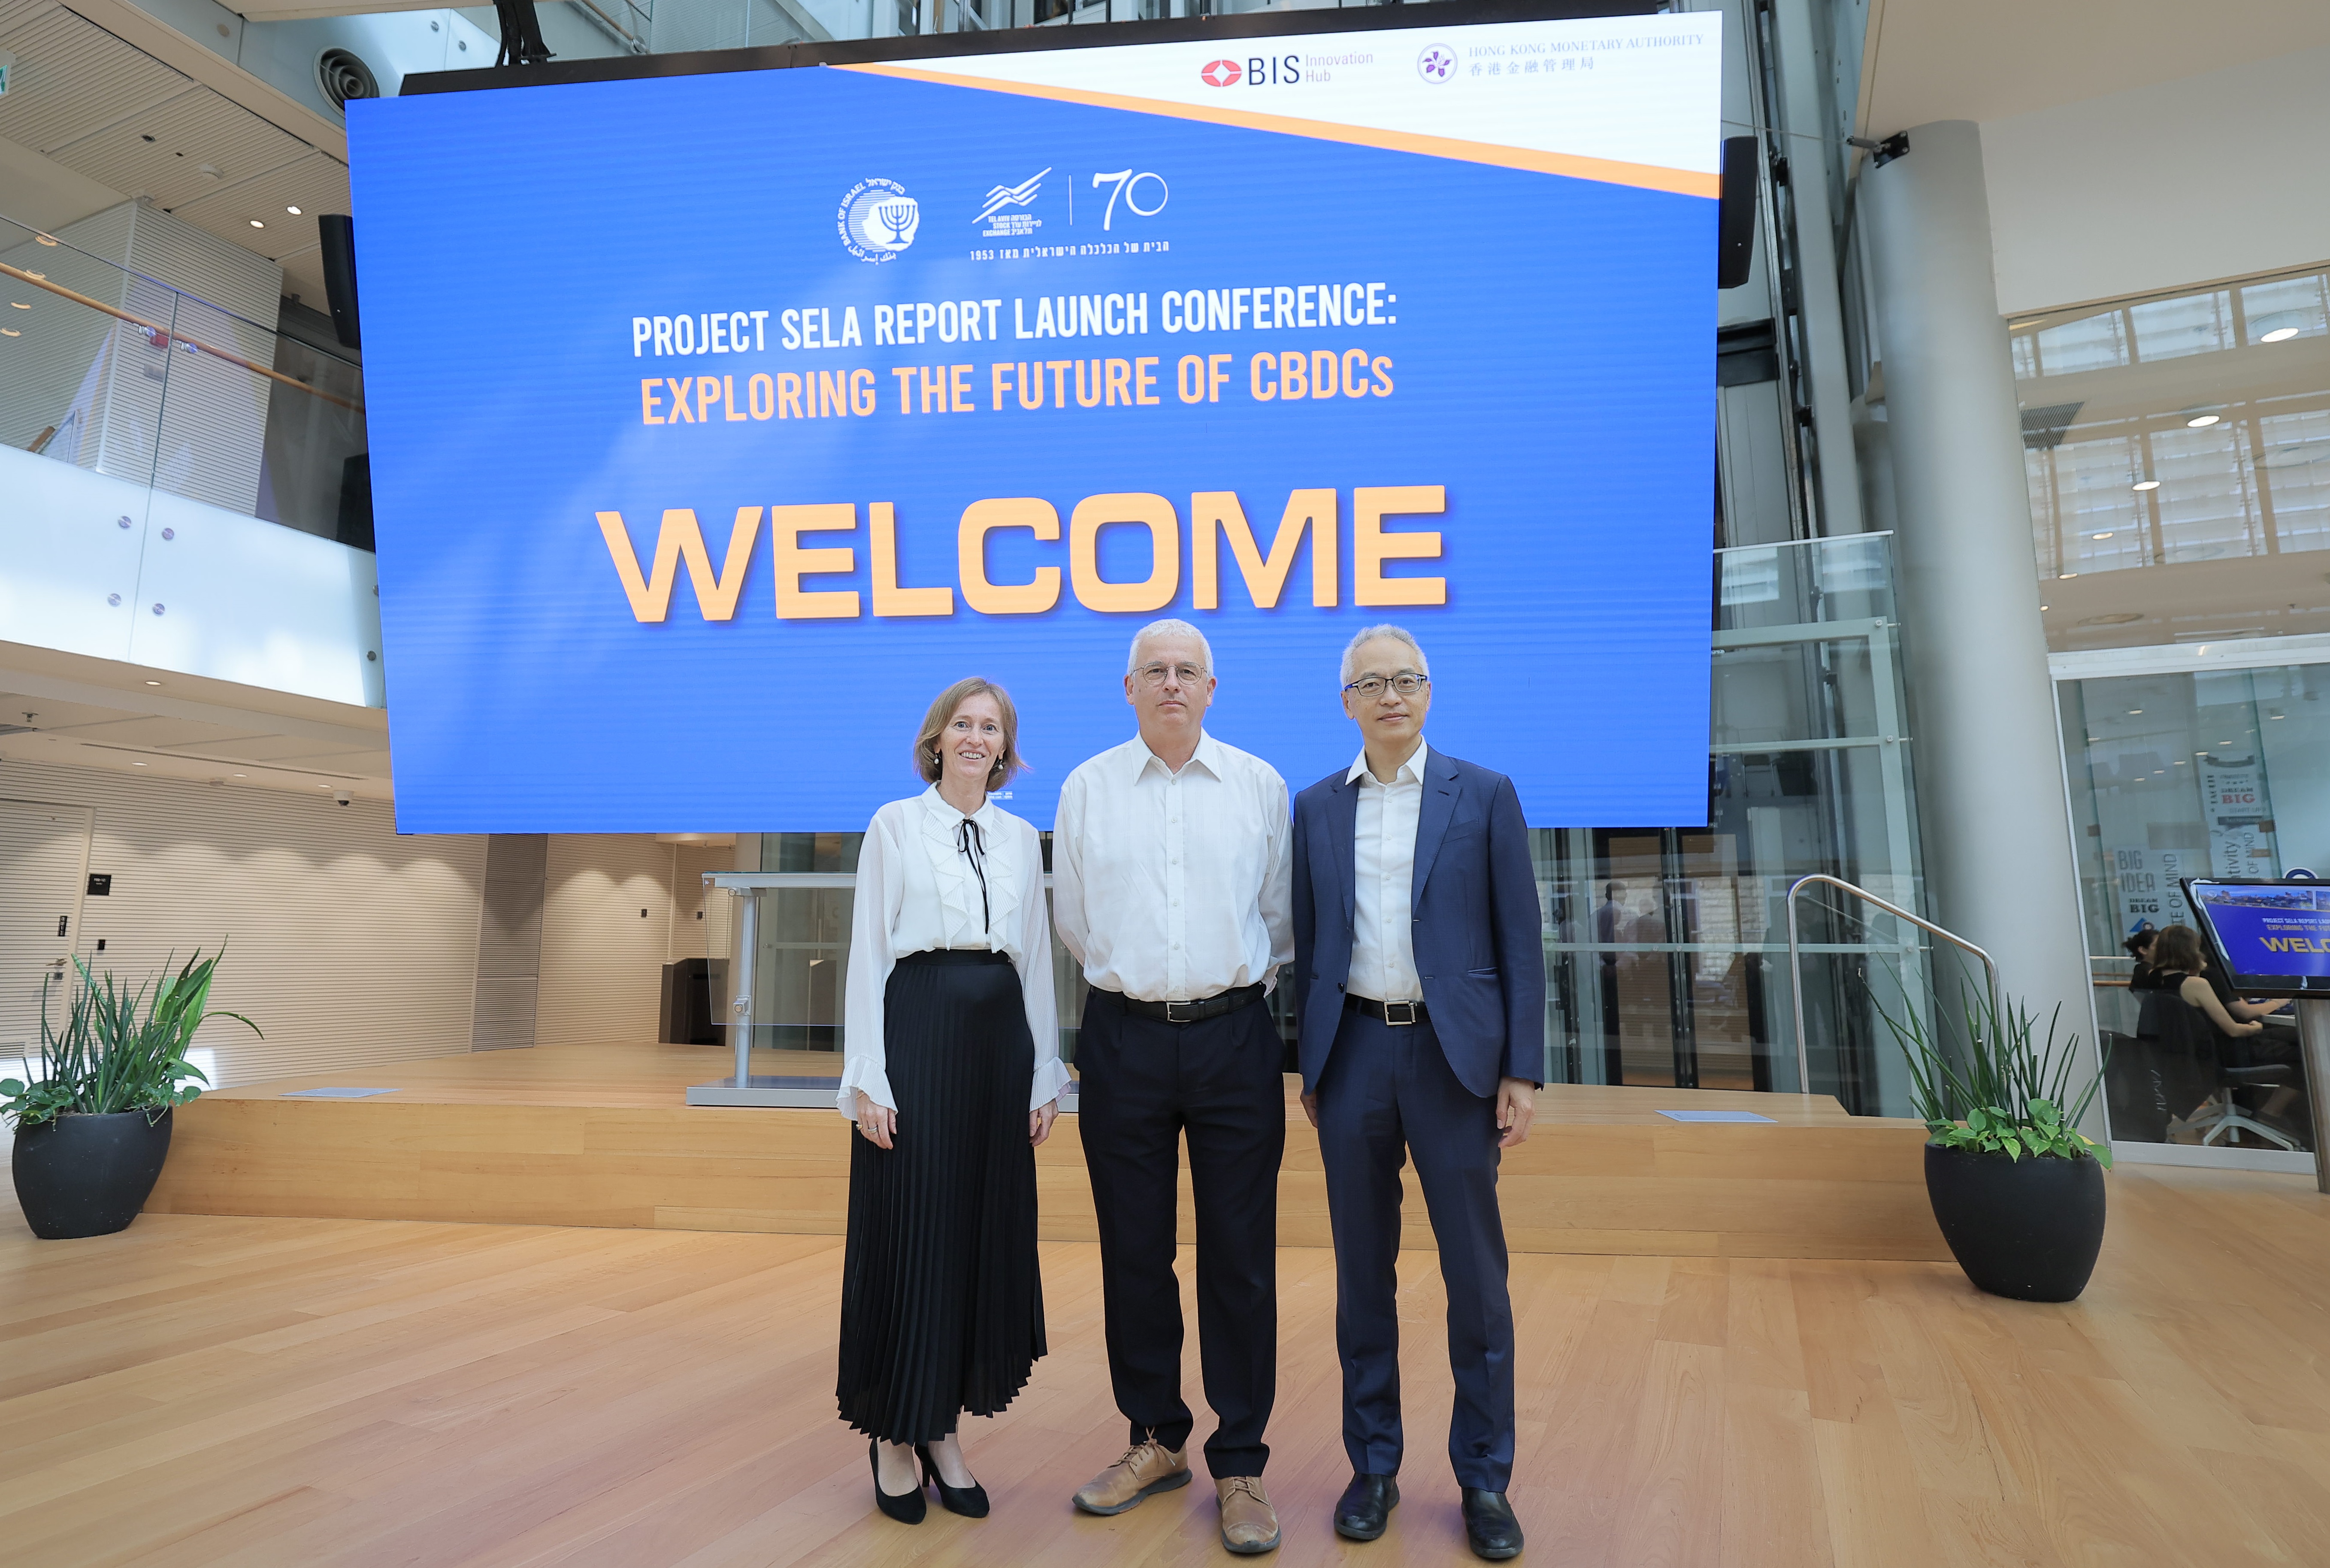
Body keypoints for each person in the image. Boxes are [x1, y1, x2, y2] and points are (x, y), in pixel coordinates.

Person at [1289, 624, 1544, 1562]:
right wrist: (1310, 1065)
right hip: (1353, 1054)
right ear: (1347, 702)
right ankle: (1374, 1465)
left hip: (1455, 1062)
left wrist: (1521, 1068)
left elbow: (1520, 943)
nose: (1390, 695)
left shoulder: (1483, 795)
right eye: (1371, 683)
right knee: (1364, 1275)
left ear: (1428, 693)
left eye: (1407, 680)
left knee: (1476, 1279)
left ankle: (1484, 1477)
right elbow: (1311, 951)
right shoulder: (1314, 809)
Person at [1053, 618, 1293, 1556]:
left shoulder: (1259, 787)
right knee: (1134, 1254)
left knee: (1240, 1258)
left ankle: (1241, 1462)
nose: (1170, 683)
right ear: (1128, 688)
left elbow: (1275, 916)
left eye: (1187, 670)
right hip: (1123, 1040)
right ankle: (1155, 1439)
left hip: (1235, 1035)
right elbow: (1076, 922)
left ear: (1212, 686)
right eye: (1153, 670)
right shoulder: (1086, 789)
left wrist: (1228, 994)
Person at [835, 678, 1070, 1525]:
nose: (976, 738)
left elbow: (1036, 963)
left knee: (974, 1236)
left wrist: (1047, 1071)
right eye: (963, 725)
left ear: (1006, 749)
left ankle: (944, 1431)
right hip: (919, 1033)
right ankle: (896, 1430)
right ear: (937, 738)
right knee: (914, 1230)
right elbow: (868, 954)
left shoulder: (1017, 837)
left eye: (992, 728)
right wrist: (869, 1075)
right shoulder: (894, 825)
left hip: (999, 1044)